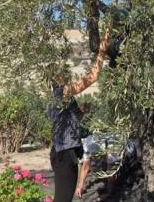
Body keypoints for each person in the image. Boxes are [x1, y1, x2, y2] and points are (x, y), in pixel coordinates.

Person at [48, 30, 111, 202]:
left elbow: (68, 123)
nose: (65, 73)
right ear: (56, 78)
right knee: (62, 199)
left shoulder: (57, 97)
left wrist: (81, 112)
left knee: (64, 197)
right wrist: (102, 50)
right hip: (64, 155)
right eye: (62, 72)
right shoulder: (63, 92)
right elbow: (94, 76)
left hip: (63, 153)